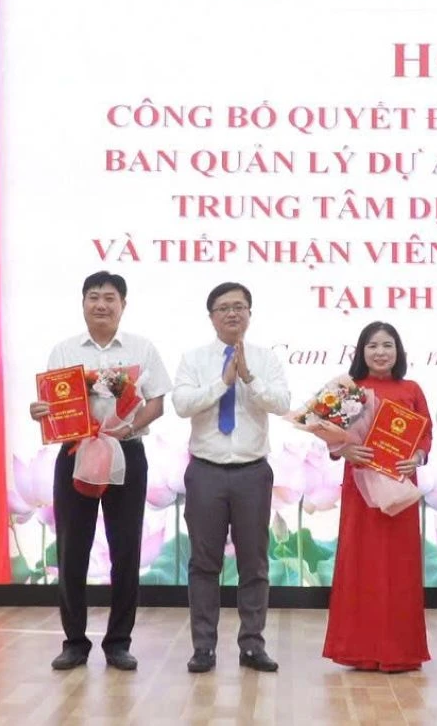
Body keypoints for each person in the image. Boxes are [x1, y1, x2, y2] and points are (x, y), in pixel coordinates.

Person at [29, 271, 171, 672]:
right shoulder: (64, 350)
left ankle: (118, 643)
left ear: (123, 305)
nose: (101, 305)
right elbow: (52, 404)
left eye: (110, 298)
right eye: (94, 297)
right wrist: (40, 412)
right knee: (71, 550)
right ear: (83, 304)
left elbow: (157, 403)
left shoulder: (142, 348)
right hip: (76, 452)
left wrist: (128, 426)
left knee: (125, 551)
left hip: (126, 452)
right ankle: (74, 642)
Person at [172, 282, 291, 674]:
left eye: (240, 306)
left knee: (254, 563)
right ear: (211, 316)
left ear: (250, 314)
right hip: (206, 471)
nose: (232, 313)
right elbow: (182, 405)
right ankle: (203, 647)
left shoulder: (266, 359)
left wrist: (249, 378)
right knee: (204, 563)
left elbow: (282, 404)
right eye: (223, 307)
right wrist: (223, 382)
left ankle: (252, 645)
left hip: (251, 472)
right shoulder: (194, 359)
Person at [322, 321, 432, 672]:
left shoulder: (411, 389)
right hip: (361, 488)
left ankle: (401, 651)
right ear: (361, 351)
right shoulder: (348, 389)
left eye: (387, 345)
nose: (380, 352)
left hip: (399, 486)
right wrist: (343, 449)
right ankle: (358, 649)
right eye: (372, 346)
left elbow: (425, 434)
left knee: (400, 567)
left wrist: (418, 456)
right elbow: (329, 434)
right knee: (360, 565)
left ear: (398, 352)